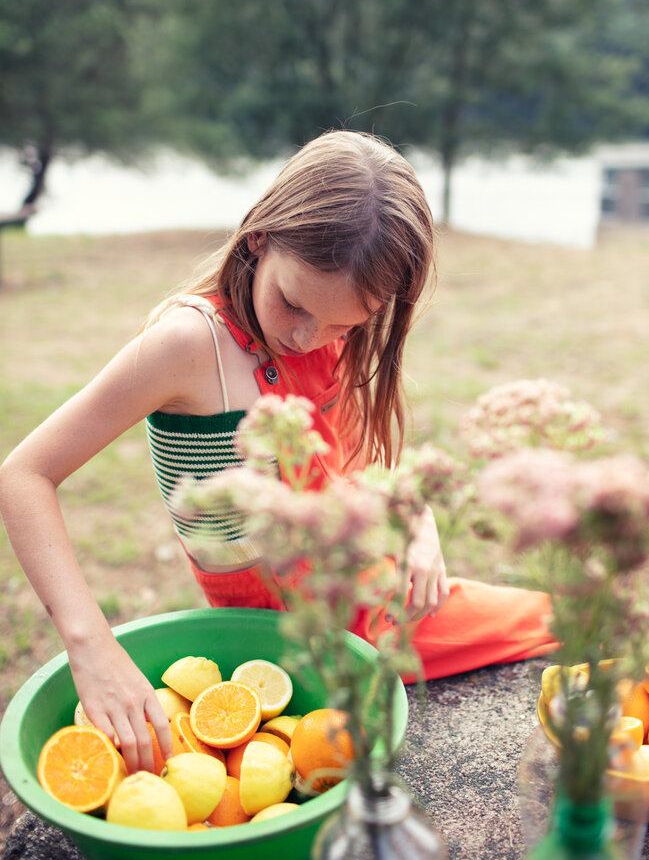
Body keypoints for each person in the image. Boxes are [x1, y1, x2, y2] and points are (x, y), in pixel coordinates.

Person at [0, 130, 554, 776]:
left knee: (562, 623)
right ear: (259, 238)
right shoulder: (189, 345)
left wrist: (413, 517)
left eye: (345, 325)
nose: (305, 336)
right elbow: (24, 474)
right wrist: (88, 645)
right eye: (292, 303)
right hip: (273, 649)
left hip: (381, 611)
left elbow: (345, 466)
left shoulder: (330, 332)